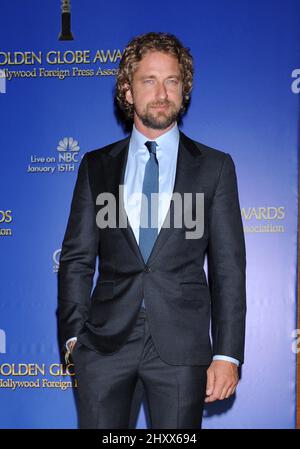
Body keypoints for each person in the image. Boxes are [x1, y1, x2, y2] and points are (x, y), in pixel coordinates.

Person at [57, 31, 246, 429]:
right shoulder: (96, 166)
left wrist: (227, 355)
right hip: (104, 347)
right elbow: (76, 259)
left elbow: (228, 269)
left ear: (184, 89)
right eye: (149, 81)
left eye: (172, 81)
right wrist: (75, 339)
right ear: (127, 91)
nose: (162, 92)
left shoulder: (215, 167)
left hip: (182, 349)